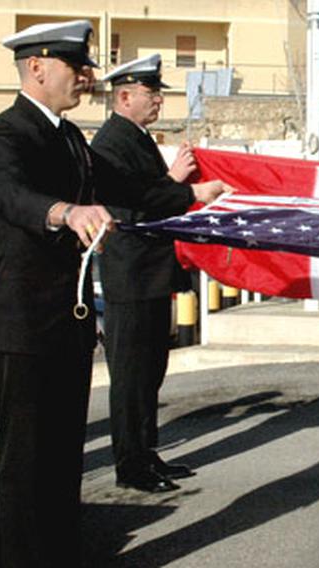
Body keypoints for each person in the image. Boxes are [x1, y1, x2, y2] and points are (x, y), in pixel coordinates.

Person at [0, 21, 225, 567]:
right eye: (75, 66)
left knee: (64, 456)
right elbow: (9, 195)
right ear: (37, 68)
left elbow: (125, 189)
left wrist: (189, 193)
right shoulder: (3, 133)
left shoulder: (69, 137)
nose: (86, 78)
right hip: (22, 321)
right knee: (25, 461)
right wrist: (66, 212)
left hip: (69, 319)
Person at [93, 54, 213, 493]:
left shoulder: (136, 138)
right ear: (124, 96)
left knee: (150, 372)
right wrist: (182, 186)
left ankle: (146, 451)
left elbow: (149, 191)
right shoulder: (111, 143)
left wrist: (170, 181)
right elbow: (137, 200)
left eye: (158, 92)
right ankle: (131, 464)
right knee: (130, 376)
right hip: (131, 274)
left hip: (150, 273)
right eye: (151, 92)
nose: (158, 99)